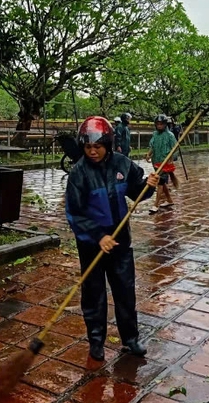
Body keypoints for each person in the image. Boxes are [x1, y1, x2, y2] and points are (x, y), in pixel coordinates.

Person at [65, 116, 159, 362]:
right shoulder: (78, 173)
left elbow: (136, 190)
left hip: (120, 240)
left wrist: (148, 186)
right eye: (88, 147)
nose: (93, 152)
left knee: (125, 290)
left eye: (97, 146)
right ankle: (96, 342)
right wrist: (98, 236)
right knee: (94, 294)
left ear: (107, 144)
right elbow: (74, 214)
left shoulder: (122, 164)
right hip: (91, 244)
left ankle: (130, 339)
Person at [146, 114, 178, 213]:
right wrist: (148, 154)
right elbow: (152, 146)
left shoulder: (170, 135)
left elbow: (175, 148)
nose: (159, 126)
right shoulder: (155, 134)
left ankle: (156, 204)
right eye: (158, 124)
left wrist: (171, 158)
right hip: (156, 162)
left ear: (165, 124)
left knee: (159, 182)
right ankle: (169, 200)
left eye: (161, 124)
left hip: (165, 163)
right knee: (162, 182)